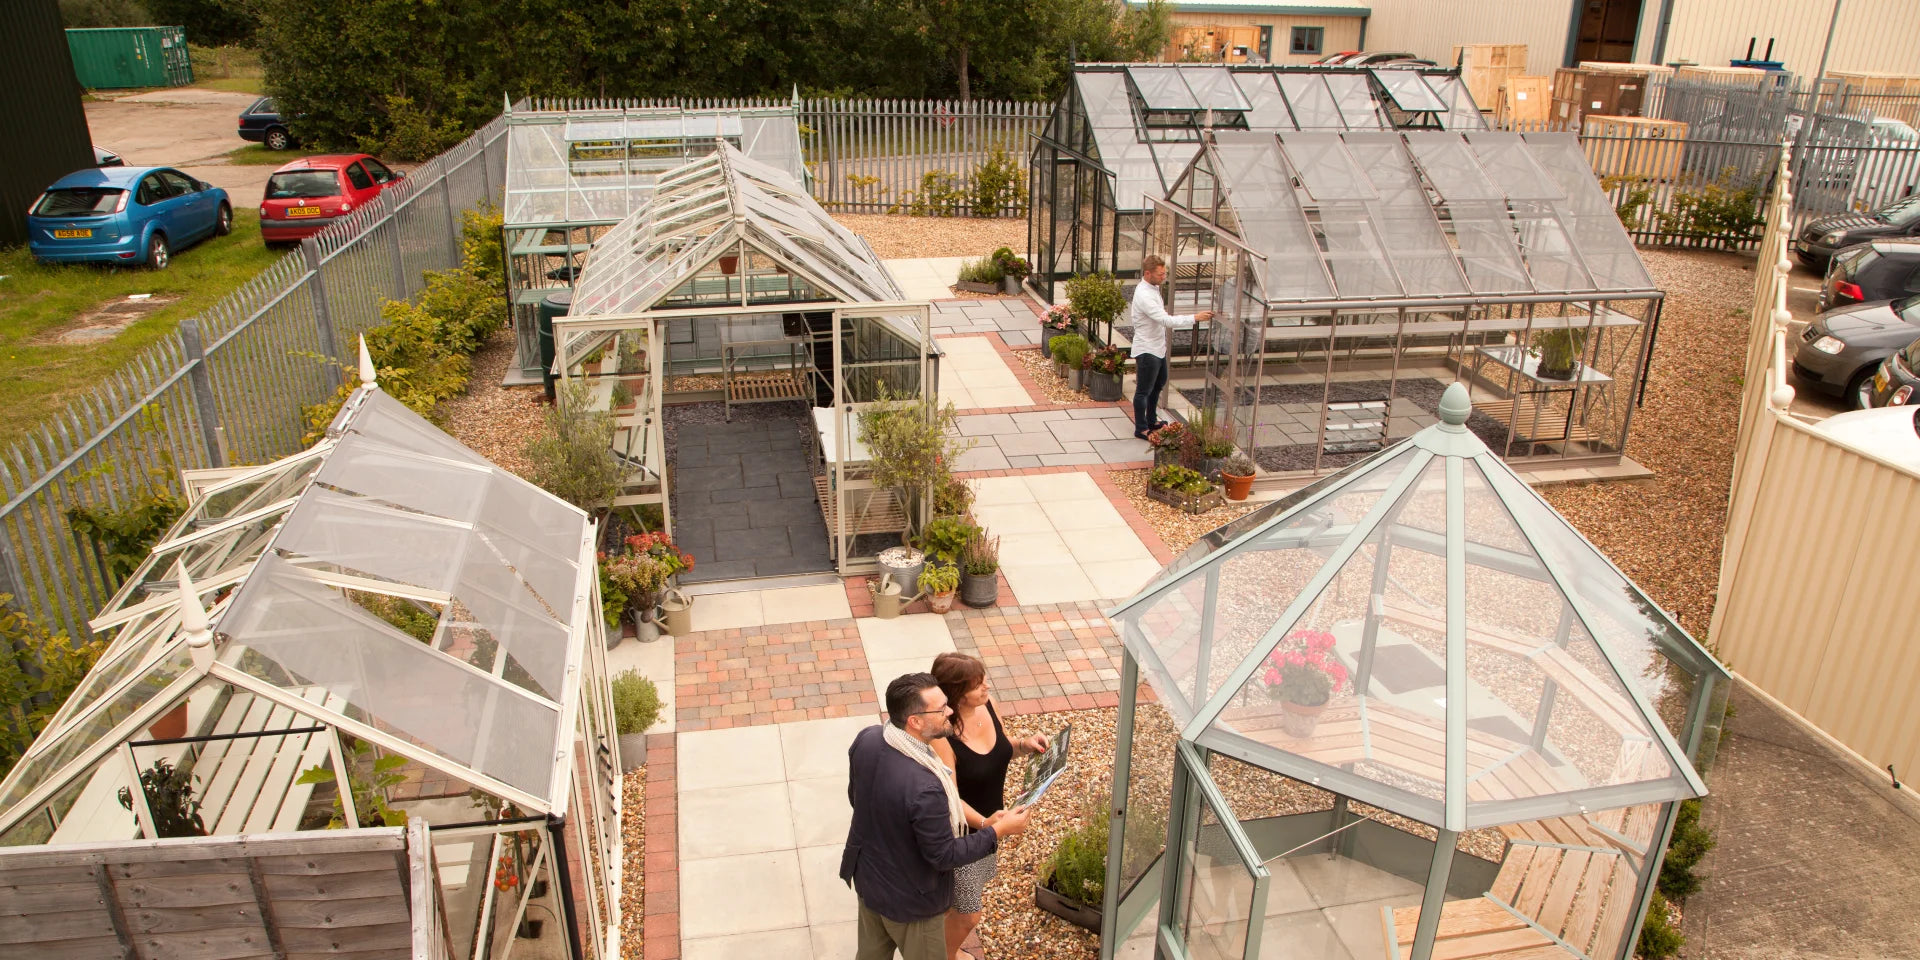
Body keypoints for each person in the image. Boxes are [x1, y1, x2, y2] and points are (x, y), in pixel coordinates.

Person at [842, 673, 1033, 960]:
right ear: (915, 722)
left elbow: (857, 799)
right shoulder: (925, 786)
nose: (951, 712)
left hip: (870, 883)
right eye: (941, 709)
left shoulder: (869, 738)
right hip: (911, 903)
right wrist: (997, 831)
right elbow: (944, 855)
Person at [928, 653, 1051, 960]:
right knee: (969, 915)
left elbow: (1000, 749)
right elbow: (949, 798)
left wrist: (1025, 745)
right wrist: (988, 825)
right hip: (961, 837)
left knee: (957, 903)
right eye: (977, 685)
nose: (986, 687)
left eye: (983, 680)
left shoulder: (989, 705)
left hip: (991, 825)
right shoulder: (943, 736)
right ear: (955, 693)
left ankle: (934, 941)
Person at [1129, 254, 1213, 439]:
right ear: (1148, 273)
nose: (1163, 277)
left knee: (1158, 384)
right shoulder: (1144, 295)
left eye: (1164, 273)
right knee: (1143, 391)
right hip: (1147, 350)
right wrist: (1195, 318)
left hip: (1158, 348)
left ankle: (1151, 420)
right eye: (1160, 274)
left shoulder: (1153, 287)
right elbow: (1165, 319)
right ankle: (1141, 428)